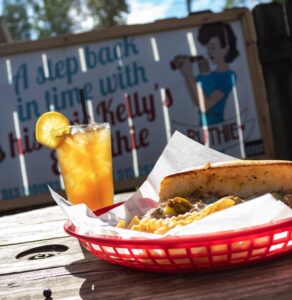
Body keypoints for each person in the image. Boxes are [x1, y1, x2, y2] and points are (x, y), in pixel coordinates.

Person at [173, 22, 239, 126]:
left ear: (225, 48)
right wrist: (186, 75)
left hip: (218, 127)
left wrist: (189, 75)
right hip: (203, 127)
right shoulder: (205, 76)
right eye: (208, 48)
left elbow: (206, 106)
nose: (209, 52)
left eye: (213, 47)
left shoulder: (229, 76)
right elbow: (196, 101)